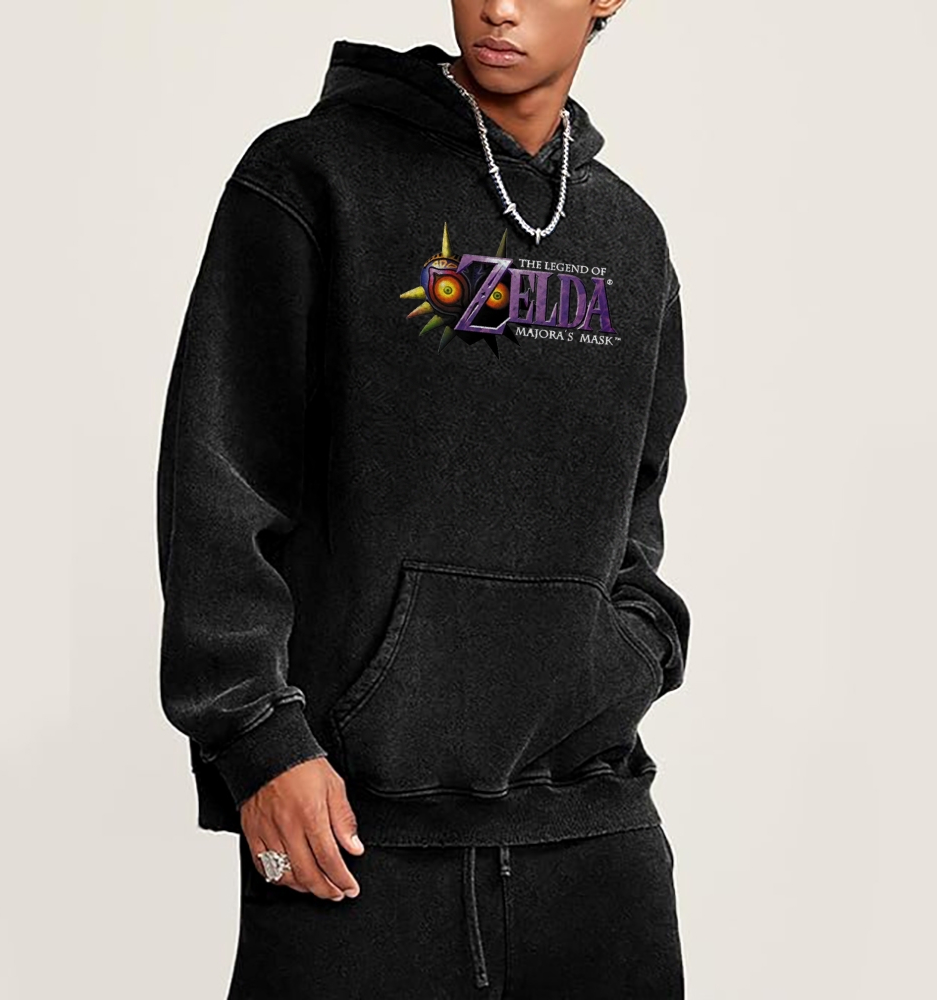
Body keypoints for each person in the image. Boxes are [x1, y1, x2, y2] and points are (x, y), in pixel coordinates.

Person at [156, 2, 691, 996]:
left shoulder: (630, 236)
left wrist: (635, 648)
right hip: (352, 840)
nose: (498, 6)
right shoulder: (313, 177)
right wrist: (255, 738)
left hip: (593, 841)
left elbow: (635, 510)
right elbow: (220, 472)